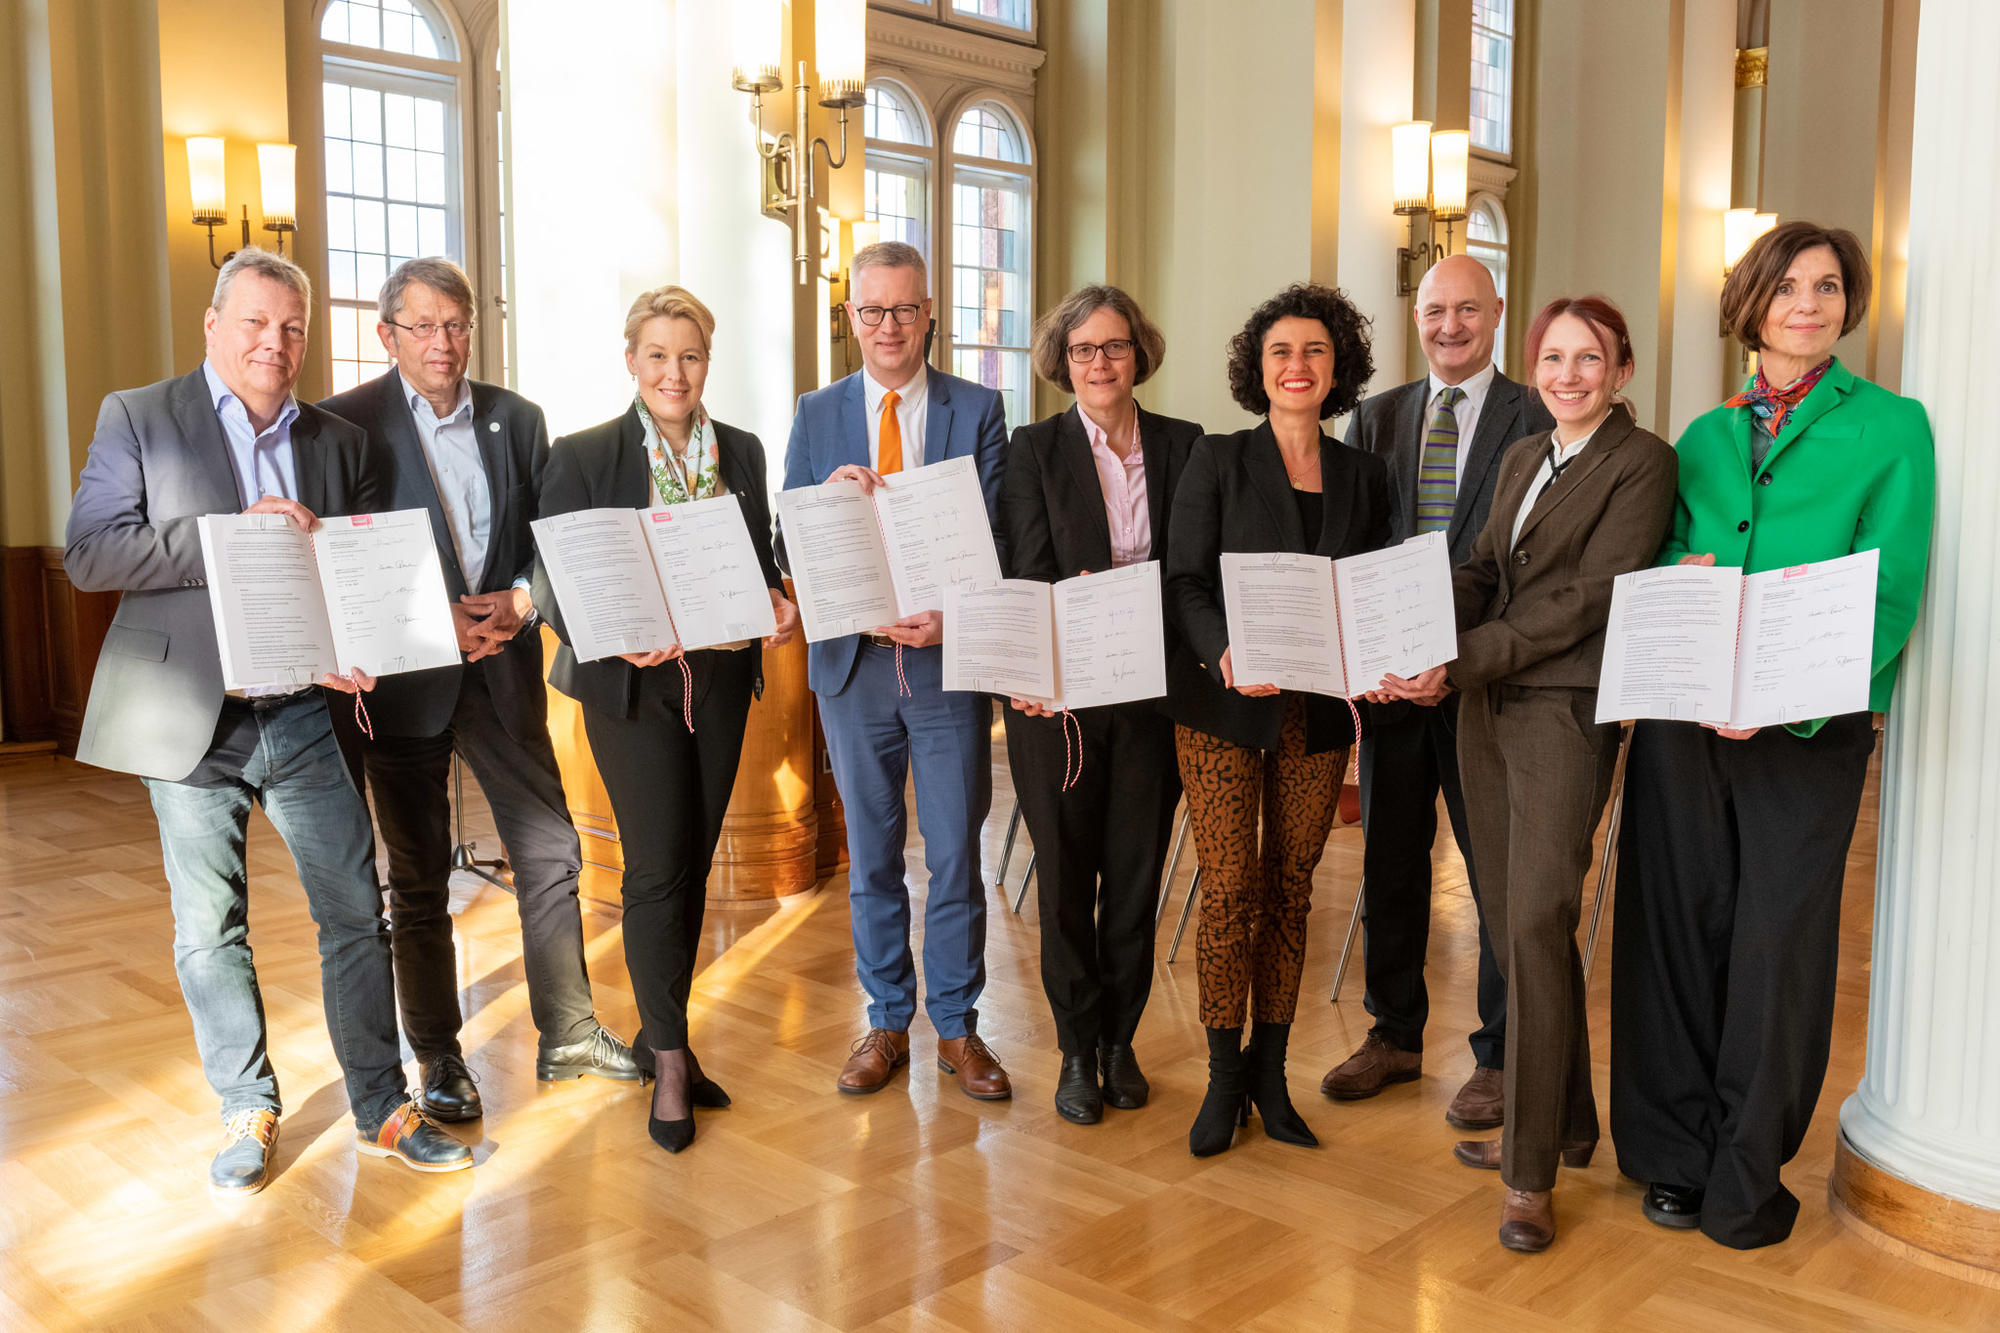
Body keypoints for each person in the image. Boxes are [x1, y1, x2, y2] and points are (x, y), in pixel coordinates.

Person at [63, 248, 471, 1193]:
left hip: (303, 713)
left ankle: (380, 1103)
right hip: (189, 720)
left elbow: (357, 577)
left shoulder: (342, 444)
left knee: (352, 912)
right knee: (210, 927)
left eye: (291, 328)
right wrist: (227, 536)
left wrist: (366, 634)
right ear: (213, 324)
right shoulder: (139, 415)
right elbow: (89, 550)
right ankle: (246, 1102)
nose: (273, 343)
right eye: (253, 322)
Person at [1611, 221, 1935, 1248]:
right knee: (1671, 931)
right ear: (1747, 303)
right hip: (1684, 720)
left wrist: (1785, 698)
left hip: (1807, 728)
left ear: (1848, 304)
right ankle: (1670, 1156)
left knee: (1775, 946)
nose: (1808, 303)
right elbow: (1666, 552)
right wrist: (1676, 596)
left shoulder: (1890, 426)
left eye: (1828, 286)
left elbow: (1889, 586)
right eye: (1786, 285)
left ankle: (1746, 1175)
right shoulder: (1702, 434)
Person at [1385, 295, 1677, 1253]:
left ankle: (1529, 1173)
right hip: (1482, 711)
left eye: (1587, 359)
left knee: (1539, 919)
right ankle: (1572, 1124)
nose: (1566, 375)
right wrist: (1410, 625)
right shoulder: (1522, 454)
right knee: (1517, 932)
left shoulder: (1642, 463)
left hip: (1562, 711)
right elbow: (1479, 569)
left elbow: (1584, 601)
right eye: (1552, 358)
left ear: (1621, 369)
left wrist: (1457, 658)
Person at [320, 257, 639, 1122]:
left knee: (550, 852)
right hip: (403, 688)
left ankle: (569, 1033)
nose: (443, 343)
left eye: (456, 324)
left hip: (501, 674)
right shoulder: (346, 424)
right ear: (388, 336)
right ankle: (438, 1059)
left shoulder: (516, 420)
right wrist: (433, 623)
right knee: (418, 880)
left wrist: (526, 598)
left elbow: (552, 537)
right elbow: (344, 561)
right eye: (422, 326)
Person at [534, 285, 799, 1153]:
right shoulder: (584, 454)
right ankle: (675, 1060)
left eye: (688, 356)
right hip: (633, 689)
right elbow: (550, 580)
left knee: (691, 860)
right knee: (652, 868)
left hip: (719, 684)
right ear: (631, 361)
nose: (673, 372)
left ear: (706, 364)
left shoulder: (747, 453)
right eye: (657, 355)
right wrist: (610, 638)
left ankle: (659, 1031)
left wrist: (776, 598)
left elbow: (759, 559)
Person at [1322, 254, 1554, 1129]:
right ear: (1414, 318)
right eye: (1433, 310)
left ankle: (1497, 1054)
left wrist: (1457, 656)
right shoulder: (1377, 418)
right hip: (1391, 682)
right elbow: (1358, 541)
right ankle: (1394, 1034)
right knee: (1390, 858)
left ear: (1498, 312)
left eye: (1467, 308)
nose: (1449, 325)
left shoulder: (1539, 413)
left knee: (1496, 870)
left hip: (1490, 680)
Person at [779, 241, 1012, 1101]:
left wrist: (953, 615)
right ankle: (885, 1020)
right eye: (872, 311)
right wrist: (823, 507)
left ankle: (957, 1027)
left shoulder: (979, 408)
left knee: (953, 854)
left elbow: (995, 533)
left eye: (905, 310)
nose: (889, 327)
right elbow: (786, 536)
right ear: (851, 319)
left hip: (947, 662)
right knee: (873, 858)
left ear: (928, 316)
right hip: (855, 667)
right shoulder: (817, 411)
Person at [1164, 282, 1390, 1157]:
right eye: (1281, 353)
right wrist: (1223, 649)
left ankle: (1272, 1072)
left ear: (1339, 370)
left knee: (1291, 891)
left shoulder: (1364, 475)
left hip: (1319, 713)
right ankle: (1224, 1078)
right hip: (1225, 708)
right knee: (1228, 888)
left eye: (1315, 352)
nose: (1298, 367)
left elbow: (1369, 592)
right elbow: (1183, 581)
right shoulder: (1217, 461)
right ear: (1257, 371)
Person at [998, 284, 1203, 1124]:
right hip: (1060, 700)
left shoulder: (1186, 446)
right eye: (1083, 350)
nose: (1099, 363)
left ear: (1138, 353)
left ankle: (1122, 1040)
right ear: (1062, 361)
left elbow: (1193, 568)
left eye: (1114, 346)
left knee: (1133, 876)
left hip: (1153, 693)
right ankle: (1075, 1050)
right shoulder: (1034, 448)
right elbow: (1027, 565)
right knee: (1065, 880)